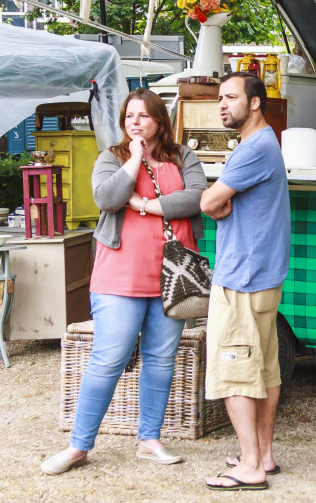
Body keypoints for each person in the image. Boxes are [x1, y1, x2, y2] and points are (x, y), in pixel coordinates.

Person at [41, 89, 207, 475]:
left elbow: (197, 197)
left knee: (161, 360)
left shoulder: (183, 156)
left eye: (144, 116)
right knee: (108, 359)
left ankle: (149, 440)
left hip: (174, 276)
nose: (135, 121)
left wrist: (144, 204)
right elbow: (107, 198)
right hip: (119, 277)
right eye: (130, 115)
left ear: (159, 121)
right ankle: (78, 446)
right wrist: (134, 159)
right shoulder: (111, 157)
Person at [200, 73, 291, 492]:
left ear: (254, 103)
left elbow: (208, 201)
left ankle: (251, 466)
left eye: (231, 97)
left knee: (237, 370)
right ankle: (265, 454)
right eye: (220, 97)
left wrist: (220, 205)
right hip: (264, 275)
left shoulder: (252, 148)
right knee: (266, 370)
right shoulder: (266, 141)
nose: (222, 104)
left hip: (242, 276)